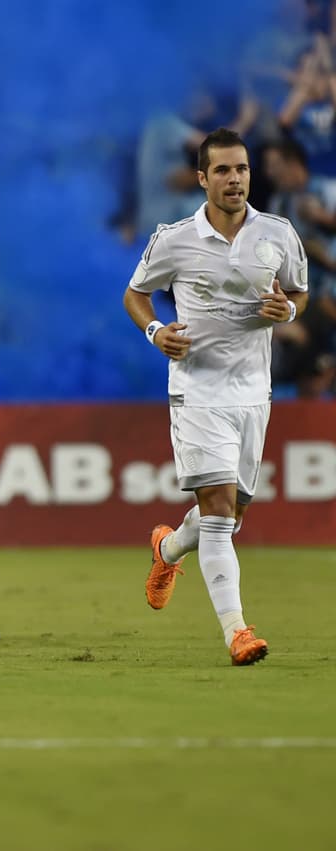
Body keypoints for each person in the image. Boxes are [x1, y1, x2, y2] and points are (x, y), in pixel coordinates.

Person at [125, 127, 307, 667]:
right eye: (223, 171)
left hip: (254, 392)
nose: (235, 180)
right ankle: (237, 631)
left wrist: (289, 312)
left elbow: (297, 290)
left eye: (243, 169)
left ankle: (168, 548)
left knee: (231, 515)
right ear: (202, 178)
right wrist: (157, 331)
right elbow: (136, 294)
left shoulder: (278, 233)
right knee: (221, 511)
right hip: (197, 389)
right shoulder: (174, 238)